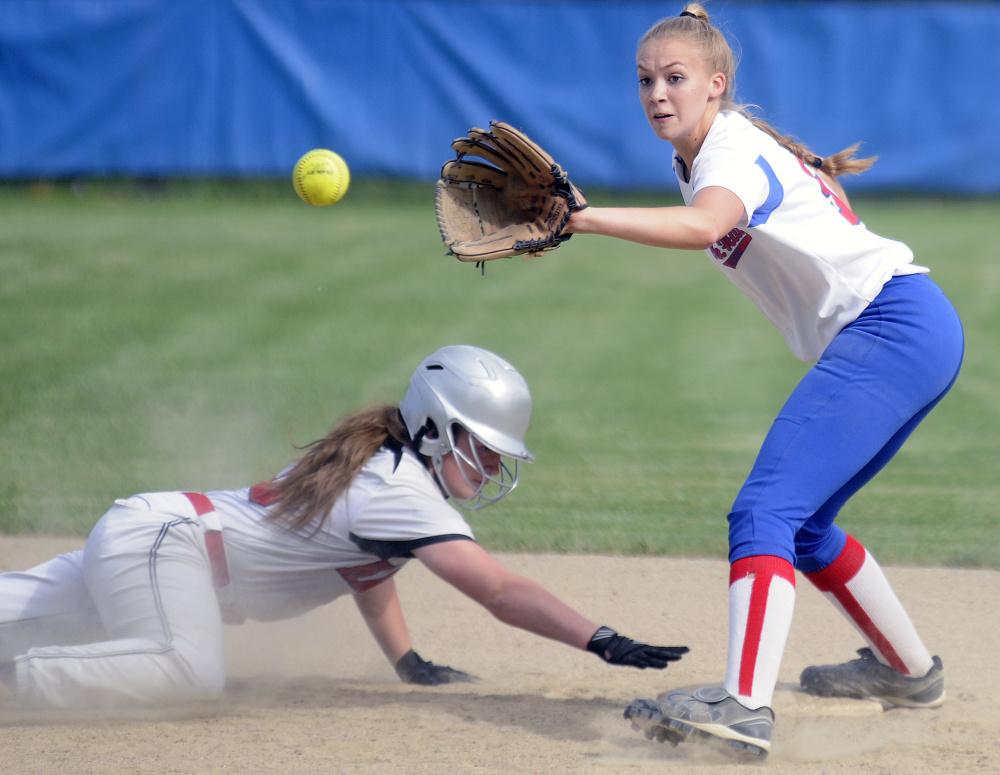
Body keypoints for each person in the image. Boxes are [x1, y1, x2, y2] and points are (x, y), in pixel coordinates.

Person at [562, 4, 964, 760]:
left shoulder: (729, 156)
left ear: (717, 84)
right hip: (910, 330)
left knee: (765, 509)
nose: (657, 93)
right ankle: (908, 671)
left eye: (675, 78)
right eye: (645, 79)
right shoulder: (702, 151)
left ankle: (745, 705)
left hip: (891, 329)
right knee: (804, 526)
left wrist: (584, 219)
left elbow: (705, 227)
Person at [0, 345, 688, 710]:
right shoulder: (400, 487)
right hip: (165, 550)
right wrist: (601, 639)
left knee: (19, 607)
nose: (492, 464)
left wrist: (405, 659)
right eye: (483, 445)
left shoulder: (389, 468)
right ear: (437, 427)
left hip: (154, 540)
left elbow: (367, 566)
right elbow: (500, 591)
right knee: (188, 669)